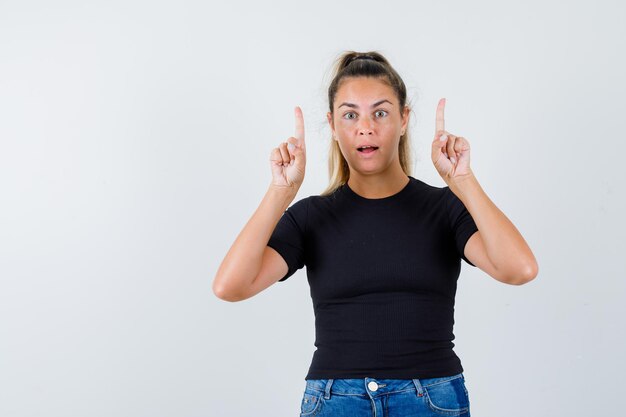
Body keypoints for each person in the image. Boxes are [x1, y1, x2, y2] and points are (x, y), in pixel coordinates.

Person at [213, 51, 538, 417]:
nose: (365, 127)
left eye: (380, 112)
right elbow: (231, 287)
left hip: (430, 399)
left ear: (403, 120)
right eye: (350, 115)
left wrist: (463, 181)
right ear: (333, 126)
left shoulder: (444, 209)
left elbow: (519, 269)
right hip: (335, 401)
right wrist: (280, 193)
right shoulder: (310, 216)